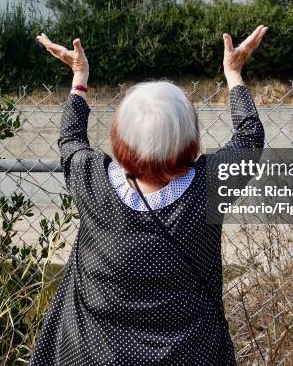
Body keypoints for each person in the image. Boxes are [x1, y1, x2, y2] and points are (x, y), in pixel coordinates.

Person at [30, 26, 267, 365]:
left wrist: (79, 78)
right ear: (189, 138)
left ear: (120, 136)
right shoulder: (208, 188)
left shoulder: (92, 180)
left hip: (92, 355)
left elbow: (70, 140)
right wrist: (234, 73)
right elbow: (249, 138)